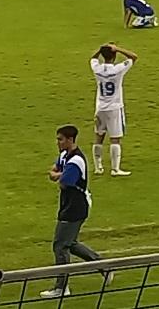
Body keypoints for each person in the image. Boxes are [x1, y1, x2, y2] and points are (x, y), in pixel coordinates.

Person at [39, 125, 109, 297]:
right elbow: (53, 172)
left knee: (60, 245)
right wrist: (58, 174)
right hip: (68, 204)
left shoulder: (76, 160)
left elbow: (64, 182)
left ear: (70, 140)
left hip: (75, 207)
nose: (58, 142)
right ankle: (104, 267)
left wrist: (58, 175)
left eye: (60, 139)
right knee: (70, 243)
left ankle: (61, 287)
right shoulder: (65, 156)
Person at [90, 43, 139, 176]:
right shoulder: (118, 69)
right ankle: (115, 169)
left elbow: (92, 59)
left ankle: (98, 167)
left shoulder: (97, 69)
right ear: (114, 55)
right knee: (115, 138)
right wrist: (117, 48)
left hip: (100, 107)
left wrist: (100, 49)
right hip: (115, 108)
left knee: (99, 136)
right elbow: (134, 57)